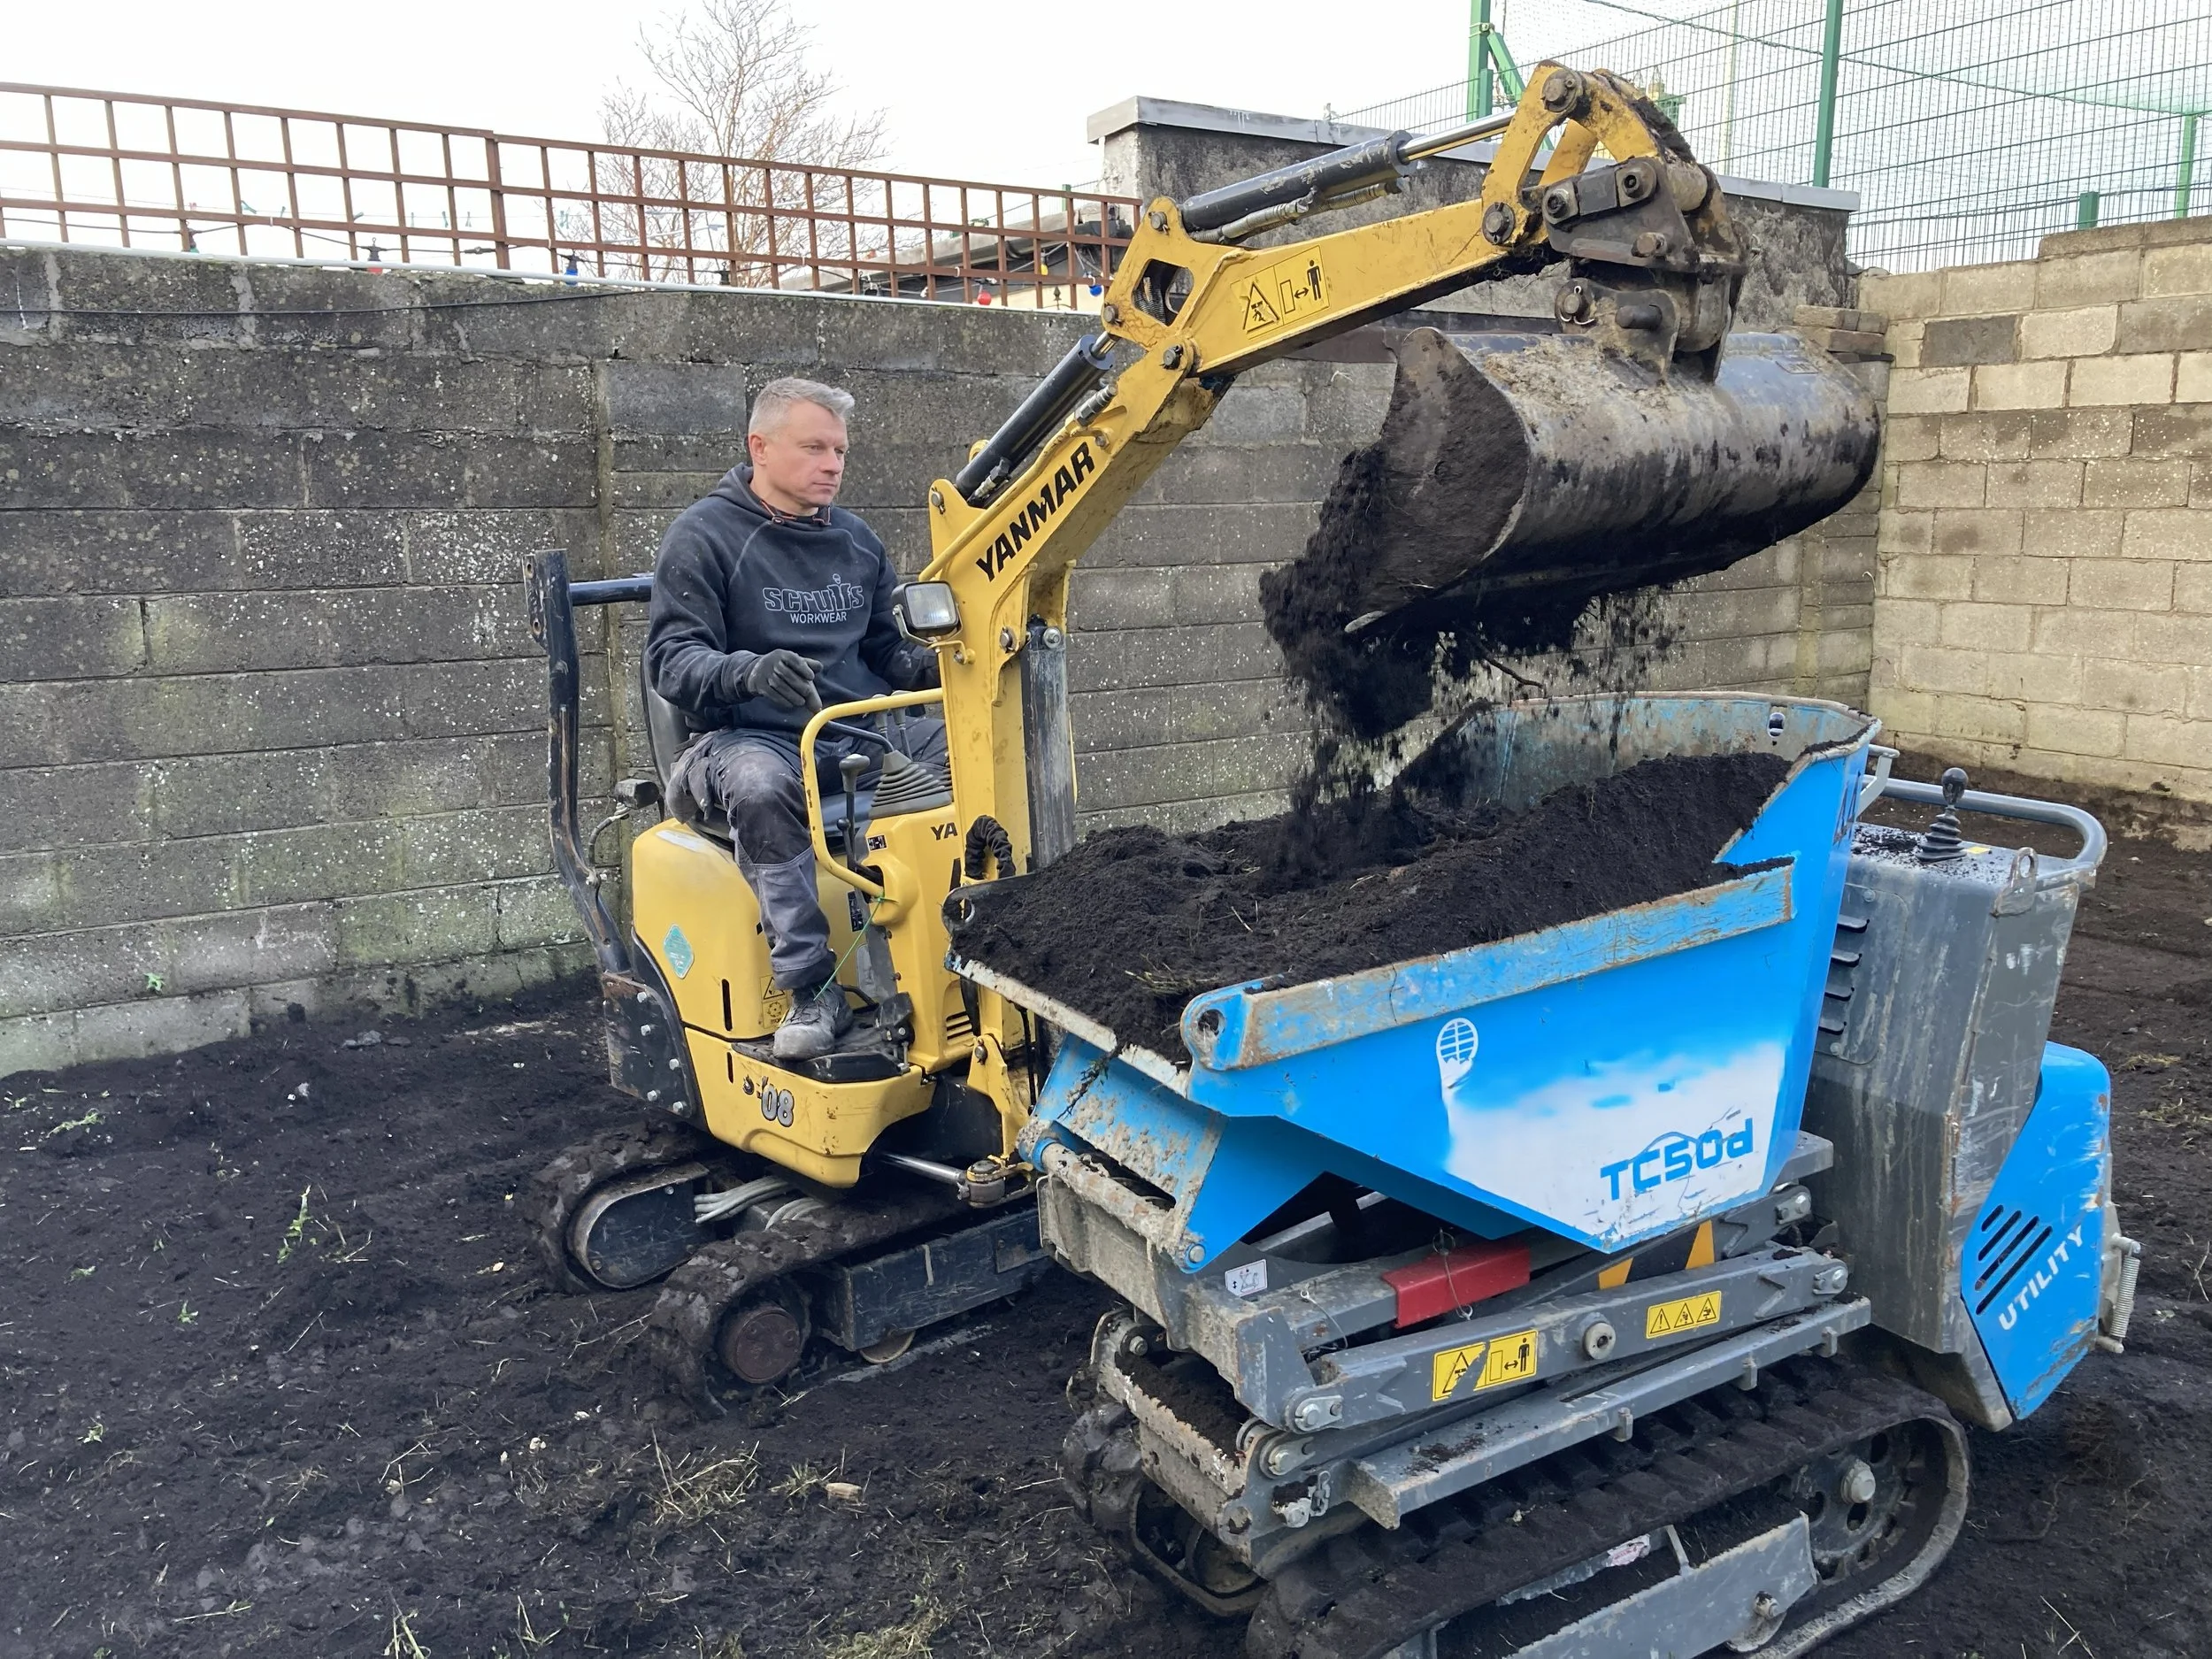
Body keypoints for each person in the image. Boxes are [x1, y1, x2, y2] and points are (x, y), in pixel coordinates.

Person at [645, 377, 941, 1061]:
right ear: (760, 447)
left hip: (854, 727)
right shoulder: (703, 538)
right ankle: (813, 987)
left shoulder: (857, 541)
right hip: (744, 737)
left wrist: (930, 665)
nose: (833, 463)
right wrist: (745, 671)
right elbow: (671, 658)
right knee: (759, 785)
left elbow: (881, 648)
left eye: (839, 449)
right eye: (814, 447)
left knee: (983, 746)